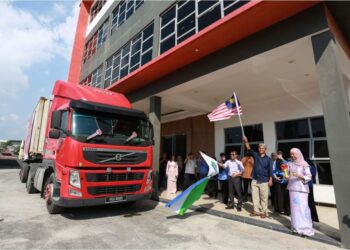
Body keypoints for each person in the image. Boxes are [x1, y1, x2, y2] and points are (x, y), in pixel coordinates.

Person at [286, 148, 314, 237]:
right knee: (294, 210)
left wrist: (299, 176)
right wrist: (286, 175)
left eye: (294, 154)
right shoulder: (289, 164)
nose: (292, 156)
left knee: (303, 208)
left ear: (298, 154)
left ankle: (306, 229)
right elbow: (286, 175)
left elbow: (309, 176)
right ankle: (296, 227)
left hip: (302, 190)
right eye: (291, 154)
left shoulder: (304, 164)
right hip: (292, 189)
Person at [243, 136, 273, 219]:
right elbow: (249, 149)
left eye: (262, 148)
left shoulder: (268, 159)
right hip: (255, 180)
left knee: (264, 197)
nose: (260, 149)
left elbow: (270, 170)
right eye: (260, 148)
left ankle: (264, 212)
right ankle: (256, 211)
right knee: (254, 196)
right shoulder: (255, 155)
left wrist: (270, 179)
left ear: (265, 149)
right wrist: (246, 142)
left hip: (264, 181)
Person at [272, 151, 290, 215]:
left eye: (280, 154)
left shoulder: (284, 161)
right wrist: (275, 177)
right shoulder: (275, 162)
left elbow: (288, 166)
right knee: (278, 195)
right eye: (278, 154)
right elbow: (273, 170)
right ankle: (279, 209)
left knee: (285, 195)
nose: (279, 156)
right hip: (278, 179)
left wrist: (282, 159)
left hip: (285, 180)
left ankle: (285, 209)